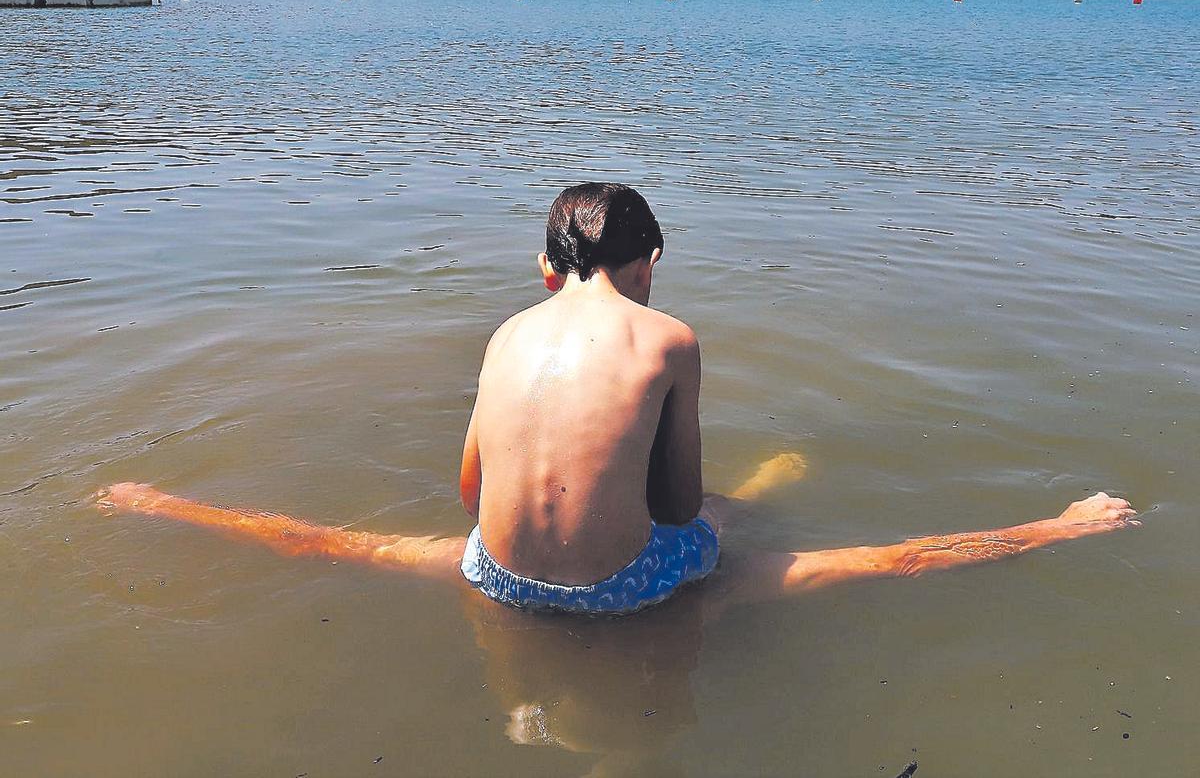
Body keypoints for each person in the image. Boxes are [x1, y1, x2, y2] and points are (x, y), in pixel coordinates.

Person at [99, 182, 1138, 613]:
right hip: (629, 591)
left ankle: (154, 502)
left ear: (546, 268)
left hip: (493, 579)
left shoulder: (508, 330)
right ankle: (1064, 526)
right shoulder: (669, 335)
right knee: (837, 552)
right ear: (651, 260)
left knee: (332, 540)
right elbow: (681, 512)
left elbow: (466, 493)